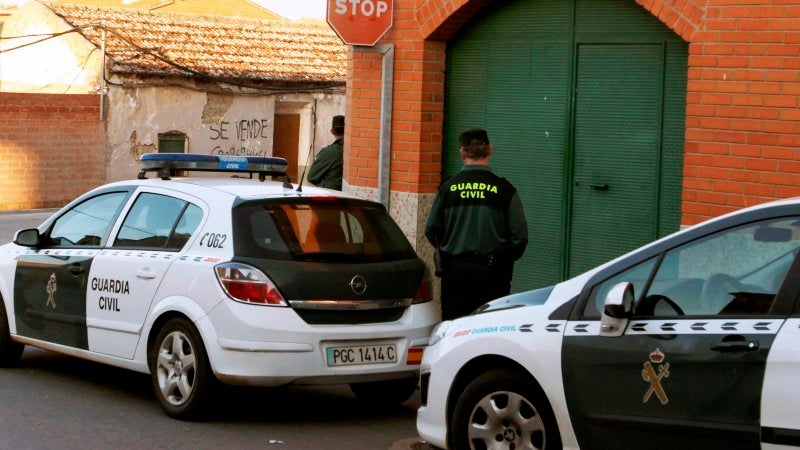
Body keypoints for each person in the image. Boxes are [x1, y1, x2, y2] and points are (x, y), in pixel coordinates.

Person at [425, 128, 528, 320]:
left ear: (462, 152)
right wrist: (503, 260)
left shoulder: (448, 189)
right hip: (493, 274)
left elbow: (431, 229)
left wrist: (448, 248)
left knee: (454, 328)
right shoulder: (505, 190)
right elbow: (520, 237)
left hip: (455, 274)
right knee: (490, 328)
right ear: (490, 149)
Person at [307, 115, 344, 190]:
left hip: (332, 196)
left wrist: (328, 185)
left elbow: (311, 177)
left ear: (332, 131)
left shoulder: (328, 152)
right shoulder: (354, 152)